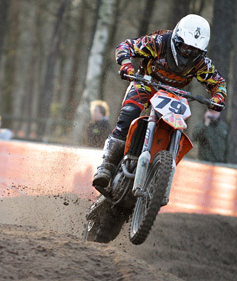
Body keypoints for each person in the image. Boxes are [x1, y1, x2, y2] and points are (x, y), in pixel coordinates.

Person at [92, 14, 227, 196]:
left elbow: (219, 83)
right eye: (186, 46)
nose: (188, 52)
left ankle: (159, 171)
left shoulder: (201, 63)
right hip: (145, 84)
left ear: (201, 50)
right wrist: (126, 64)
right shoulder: (159, 42)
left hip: (174, 95)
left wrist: (218, 97)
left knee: (175, 128)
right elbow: (127, 46)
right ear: (177, 39)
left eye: (194, 49)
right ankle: (106, 166)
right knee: (129, 113)